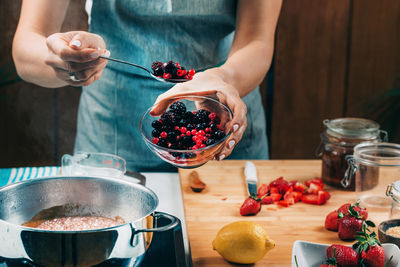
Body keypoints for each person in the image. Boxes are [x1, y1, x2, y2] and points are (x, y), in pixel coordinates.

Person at [12, 0, 282, 171]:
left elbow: (257, 40)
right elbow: (26, 50)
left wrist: (225, 78)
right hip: (114, 127)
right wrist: (65, 59)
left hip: (221, 116)